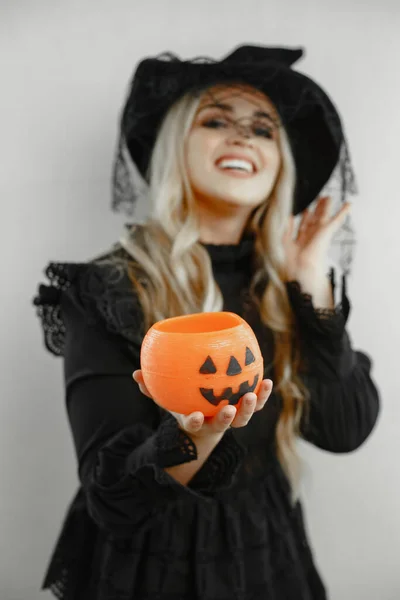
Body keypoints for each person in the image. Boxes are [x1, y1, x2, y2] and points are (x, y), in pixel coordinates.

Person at [33, 45, 380, 600]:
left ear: (279, 162)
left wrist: (310, 285)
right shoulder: (110, 289)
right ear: (176, 147)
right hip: (148, 567)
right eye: (216, 120)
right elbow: (112, 496)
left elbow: (344, 430)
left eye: (263, 129)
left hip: (267, 554)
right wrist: (195, 436)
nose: (242, 137)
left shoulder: (288, 290)